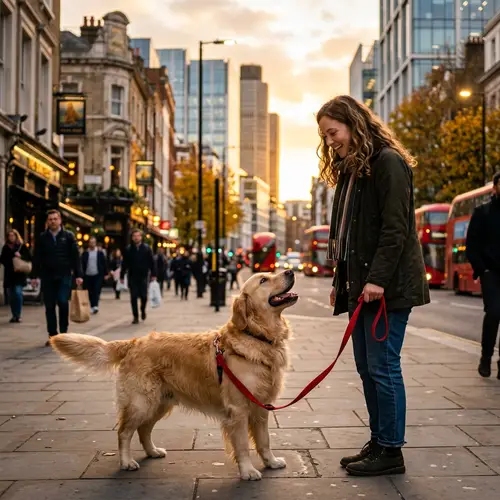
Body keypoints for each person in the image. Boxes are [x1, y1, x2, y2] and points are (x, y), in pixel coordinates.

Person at [317, 96, 430, 476]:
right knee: (367, 367)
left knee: (383, 367)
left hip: (388, 286)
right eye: (325, 135)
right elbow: (349, 236)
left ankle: (391, 451)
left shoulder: (388, 163)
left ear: (353, 124)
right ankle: (379, 440)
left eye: (333, 132)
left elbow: (395, 229)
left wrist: (378, 279)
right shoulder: (353, 170)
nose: (330, 141)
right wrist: (340, 280)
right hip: (361, 284)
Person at [466, 171, 500, 379]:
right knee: (494, 313)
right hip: (491, 273)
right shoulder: (483, 212)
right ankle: (485, 357)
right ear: (495, 187)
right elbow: (472, 245)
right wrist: (482, 269)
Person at [32, 210, 83, 345]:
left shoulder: (68, 236)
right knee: (49, 306)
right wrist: (34, 276)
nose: (53, 221)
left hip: (64, 275)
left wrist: (79, 275)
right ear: (47, 221)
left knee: (62, 301)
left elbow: (75, 257)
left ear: (60, 220)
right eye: (50, 219)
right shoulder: (42, 237)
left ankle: (64, 334)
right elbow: (37, 258)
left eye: (55, 219)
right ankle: (53, 335)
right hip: (47, 276)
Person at [120, 229, 157, 324]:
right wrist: (121, 275)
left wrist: (153, 274)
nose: (136, 237)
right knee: (133, 297)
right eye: (134, 236)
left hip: (144, 276)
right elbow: (124, 263)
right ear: (132, 238)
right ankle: (135, 316)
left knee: (144, 296)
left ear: (141, 237)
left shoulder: (146, 248)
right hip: (132, 276)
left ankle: (142, 309)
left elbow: (152, 262)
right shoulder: (128, 249)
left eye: (138, 236)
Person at [0, 229, 31, 323]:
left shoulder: (21, 246)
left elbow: (29, 258)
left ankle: (18, 314)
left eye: (13, 235)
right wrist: (10, 258)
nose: (11, 237)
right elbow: (2, 260)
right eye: (9, 236)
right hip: (9, 275)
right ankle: (14, 315)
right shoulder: (5, 247)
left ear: (16, 236)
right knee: (11, 296)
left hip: (19, 274)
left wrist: (20, 256)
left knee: (17, 293)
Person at [81, 236, 108, 313]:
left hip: (97, 274)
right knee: (89, 291)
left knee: (96, 290)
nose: (92, 244)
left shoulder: (100, 253)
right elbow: (82, 264)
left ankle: (95, 306)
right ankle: (92, 305)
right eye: (91, 242)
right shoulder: (85, 253)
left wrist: (106, 274)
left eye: (93, 242)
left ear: (95, 243)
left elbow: (104, 263)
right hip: (87, 275)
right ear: (89, 243)